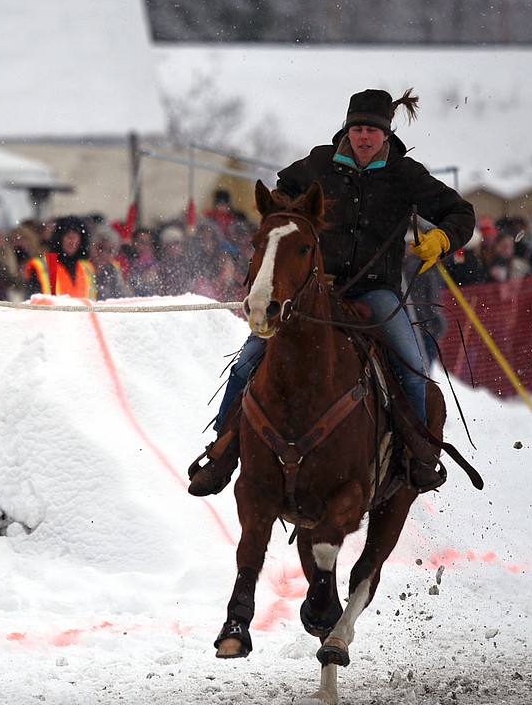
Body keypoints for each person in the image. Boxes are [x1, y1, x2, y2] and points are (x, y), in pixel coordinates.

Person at [189, 88, 475, 497]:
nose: (364, 137)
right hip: (314, 291)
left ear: (386, 134)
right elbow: (284, 187)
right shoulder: (320, 163)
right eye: (357, 128)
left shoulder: (405, 174)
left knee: (412, 368)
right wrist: (288, 212)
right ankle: (221, 454)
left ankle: (419, 456)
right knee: (248, 359)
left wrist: (444, 239)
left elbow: (461, 212)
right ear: (347, 129)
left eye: (372, 131)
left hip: (376, 293)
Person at [25, 216, 97, 299]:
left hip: (83, 312)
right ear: (59, 239)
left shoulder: (87, 268)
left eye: (76, 236)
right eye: (68, 236)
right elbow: (32, 303)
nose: (72, 241)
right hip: (50, 312)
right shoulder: (42, 266)